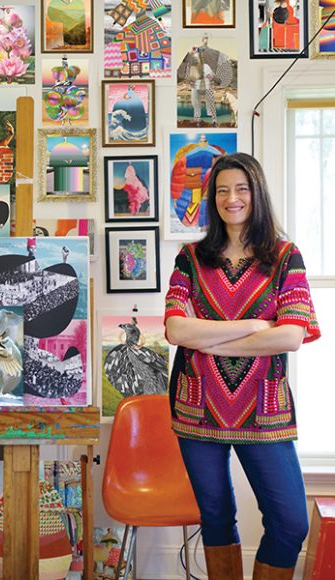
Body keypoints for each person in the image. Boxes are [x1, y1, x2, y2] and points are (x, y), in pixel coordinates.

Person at [164, 152, 321, 579]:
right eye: (221, 190)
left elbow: (291, 335)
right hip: (197, 408)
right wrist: (253, 325)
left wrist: (211, 339)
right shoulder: (190, 259)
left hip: (264, 410)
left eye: (241, 189)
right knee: (215, 518)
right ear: (211, 198)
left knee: (290, 523)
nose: (231, 198)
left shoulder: (287, 257)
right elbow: (177, 331)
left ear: (257, 193)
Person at [179, 32, 230, 127]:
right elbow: (181, 74)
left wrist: (213, 77)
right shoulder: (191, 66)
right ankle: (197, 120)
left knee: (211, 102)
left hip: (207, 87)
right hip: (196, 87)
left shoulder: (207, 67)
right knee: (195, 102)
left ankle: (214, 121)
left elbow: (219, 81)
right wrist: (189, 54)